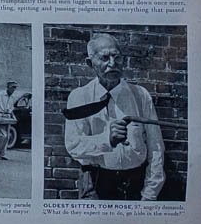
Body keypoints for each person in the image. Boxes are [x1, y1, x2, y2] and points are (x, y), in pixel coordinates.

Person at [64, 34, 165, 201]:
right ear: (90, 63)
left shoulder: (140, 95)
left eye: (117, 57)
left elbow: (156, 147)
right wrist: (107, 140)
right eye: (104, 58)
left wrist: (150, 194)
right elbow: (73, 145)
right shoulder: (79, 97)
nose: (112, 63)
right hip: (96, 184)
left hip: (135, 184)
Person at [0, 80, 18, 161]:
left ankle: (1, 153)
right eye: (12, 87)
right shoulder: (0, 94)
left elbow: (11, 108)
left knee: (7, 137)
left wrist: (13, 116)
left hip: (8, 117)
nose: (13, 89)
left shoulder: (13, 97)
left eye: (15, 88)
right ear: (8, 87)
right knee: (2, 135)